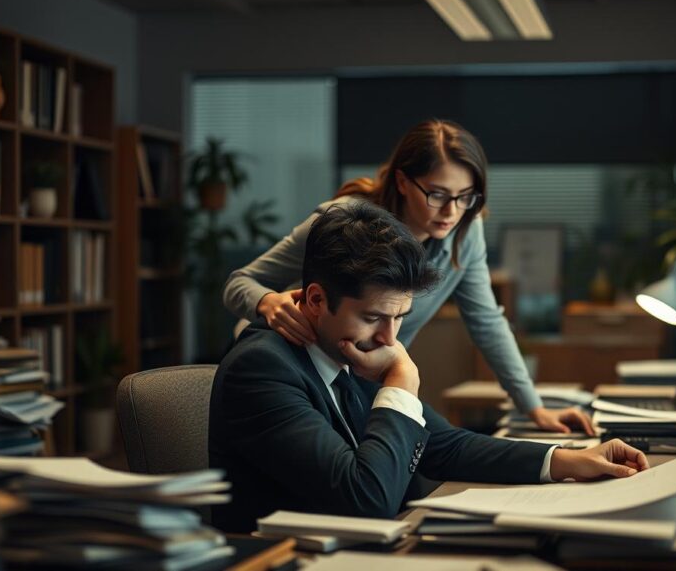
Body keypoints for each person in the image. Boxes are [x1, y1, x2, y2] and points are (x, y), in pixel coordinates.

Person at [209, 203, 649, 532]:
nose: (390, 338)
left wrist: (569, 460)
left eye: (399, 317)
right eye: (373, 317)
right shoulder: (264, 369)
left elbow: (447, 446)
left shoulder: (346, 349)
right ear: (316, 300)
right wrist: (401, 381)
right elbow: (366, 500)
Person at [223, 119, 593, 435]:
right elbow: (239, 282)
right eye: (437, 194)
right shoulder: (345, 222)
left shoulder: (466, 230)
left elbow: (486, 321)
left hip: (362, 378)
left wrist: (533, 407)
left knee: (437, 448)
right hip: (297, 370)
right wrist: (267, 302)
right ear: (402, 181)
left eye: (466, 197)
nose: (452, 212)